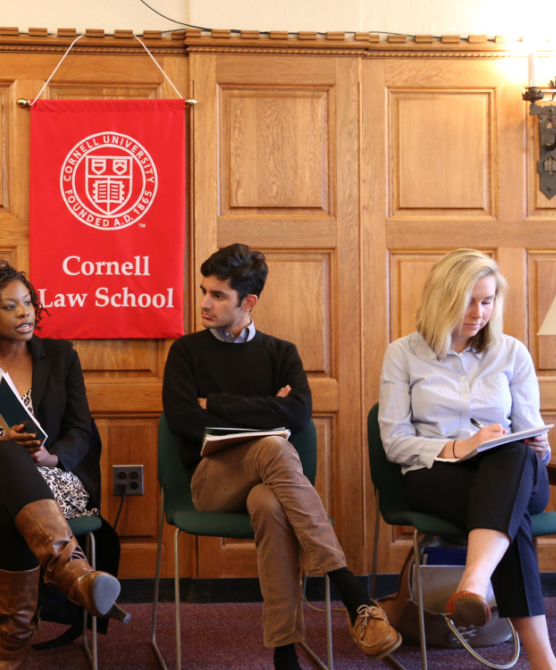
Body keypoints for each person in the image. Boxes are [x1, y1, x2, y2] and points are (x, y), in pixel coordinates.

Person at [163, 243, 400, 670]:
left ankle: (284, 654)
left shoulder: (280, 352)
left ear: (248, 302)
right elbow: (182, 420)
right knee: (272, 444)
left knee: (271, 506)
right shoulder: (186, 351)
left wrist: (216, 404)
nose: (204, 303)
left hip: (267, 484)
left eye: (218, 295)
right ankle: (351, 592)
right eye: (204, 291)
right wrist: (265, 407)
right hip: (209, 480)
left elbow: (300, 413)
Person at [379, 248, 556, 669]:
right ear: (442, 298)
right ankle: (543, 660)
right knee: (513, 520)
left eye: (487, 300)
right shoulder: (403, 354)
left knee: (513, 455)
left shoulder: (512, 353)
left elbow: (529, 428)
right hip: (437, 474)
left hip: (512, 471)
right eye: (468, 301)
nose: (479, 313)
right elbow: (394, 440)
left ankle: (473, 580)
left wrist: (539, 448)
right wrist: (460, 447)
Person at [0, 260, 128, 670]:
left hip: (53, 478)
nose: (25, 313)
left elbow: (82, 429)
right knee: (5, 452)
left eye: (27, 303)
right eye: (10, 307)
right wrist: (0, 445)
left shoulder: (61, 356)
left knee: (5, 508)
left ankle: (12, 652)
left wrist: (52, 456)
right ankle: (74, 574)